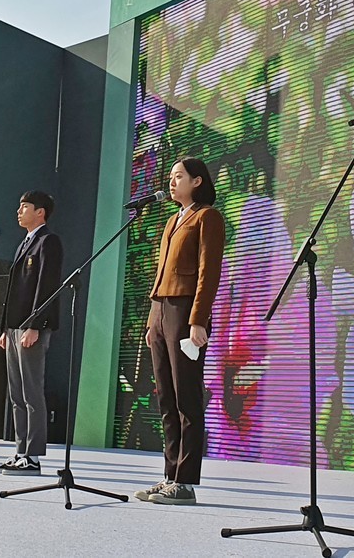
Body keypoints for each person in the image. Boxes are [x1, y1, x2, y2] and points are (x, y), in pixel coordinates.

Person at [135, 157, 225, 506]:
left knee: (187, 396)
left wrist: (198, 319)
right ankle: (170, 473)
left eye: (179, 177)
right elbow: (162, 273)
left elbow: (208, 271)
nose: (172, 182)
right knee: (165, 397)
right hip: (161, 310)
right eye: (171, 177)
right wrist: (150, 321)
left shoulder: (207, 217)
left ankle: (185, 482)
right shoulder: (173, 219)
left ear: (198, 181)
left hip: (185, 310)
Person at [0, 191, 63, 475]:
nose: (18, 211)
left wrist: (35, 324)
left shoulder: (48, 242)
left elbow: (46, 286)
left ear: (41, 212)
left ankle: (32, 455)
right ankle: (19, 451)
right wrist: (4, 328)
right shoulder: (24, 243)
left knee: (32, 390)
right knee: (16, 392)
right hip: (13, 328)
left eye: (25, 207)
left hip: (31, 327)